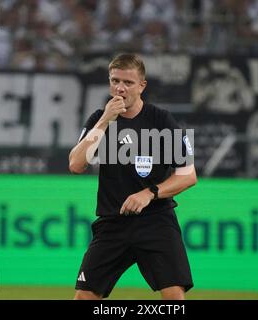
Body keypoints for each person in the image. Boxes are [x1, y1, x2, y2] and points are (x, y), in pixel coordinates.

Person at [69, 53, 197, 300]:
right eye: (115, 81)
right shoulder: (99, 119)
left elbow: (189, 175)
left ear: (142, 85)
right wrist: (106, 120)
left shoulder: (161, 120)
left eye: (128, 82)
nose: (120, 88)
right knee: (84, 298)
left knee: (174, 297)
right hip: (112, 222)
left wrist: (150, 193)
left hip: (155, 221)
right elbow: (76, 164)